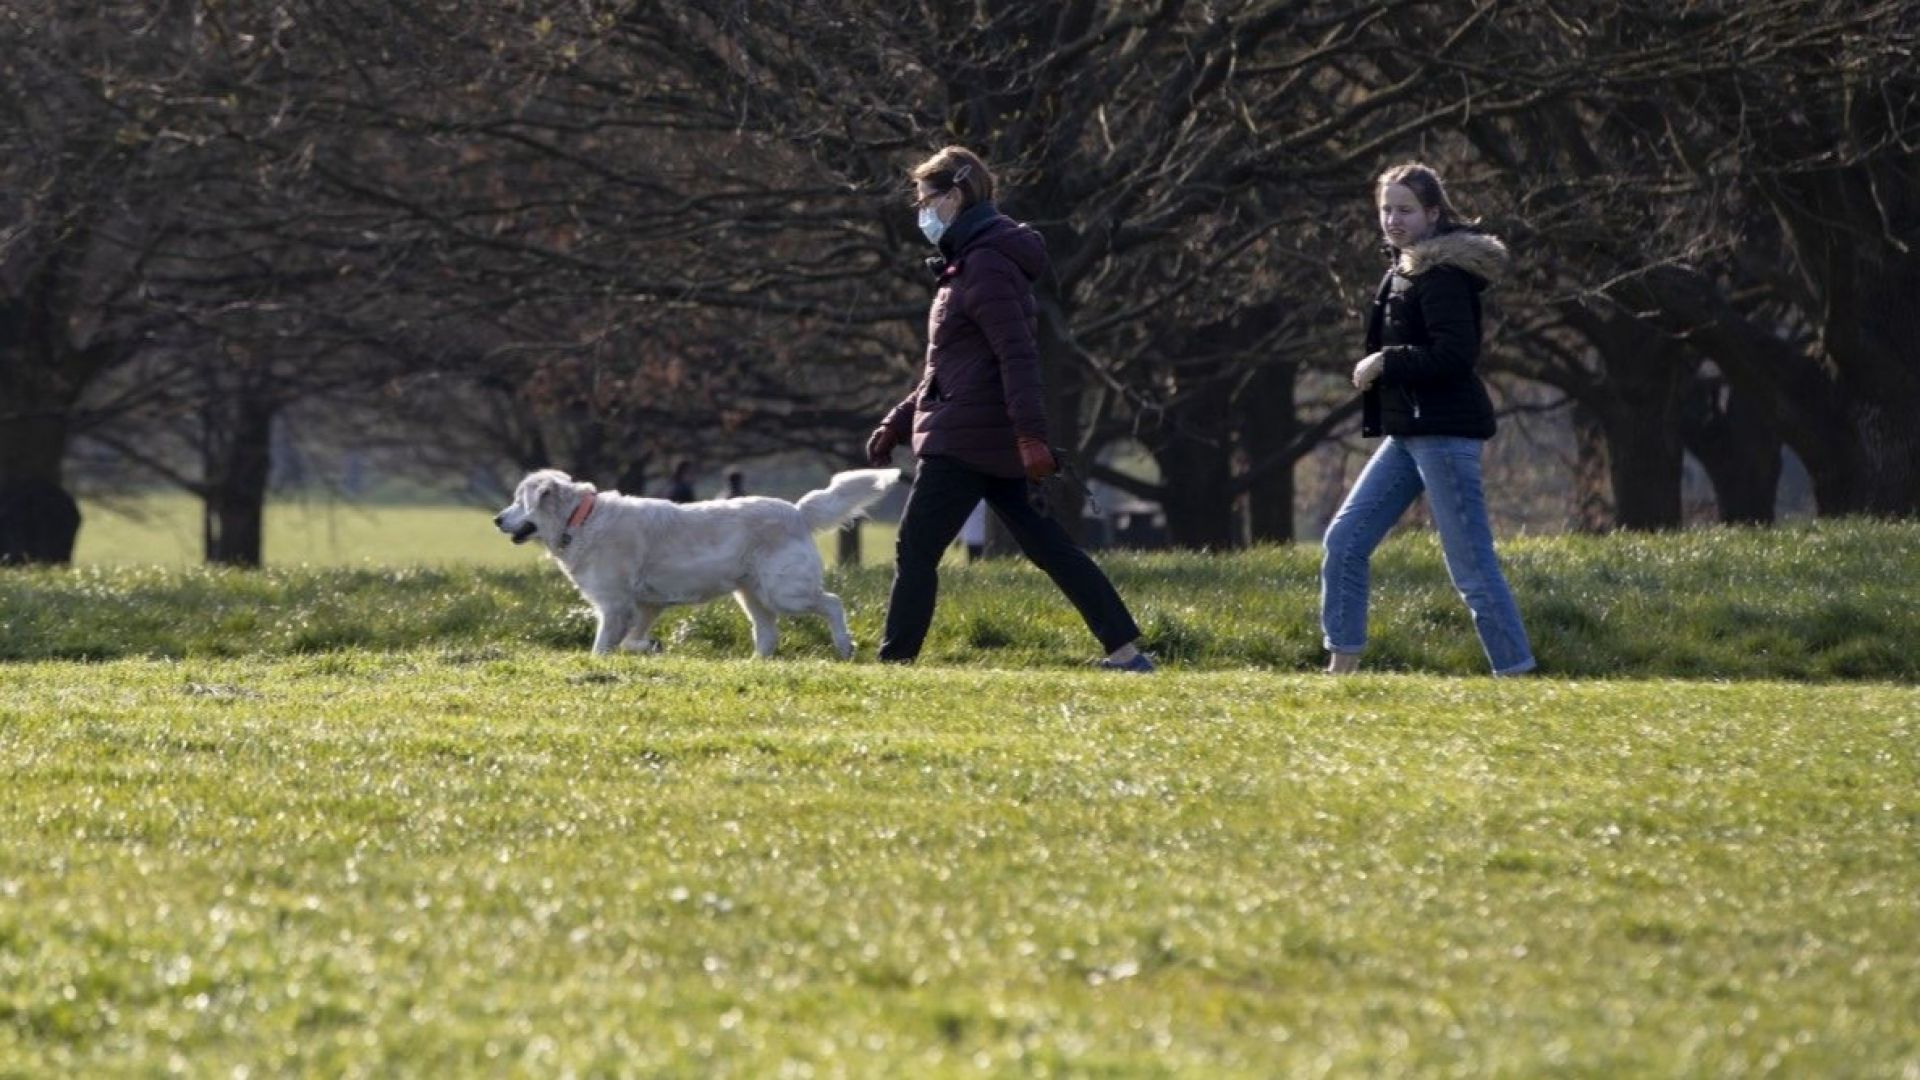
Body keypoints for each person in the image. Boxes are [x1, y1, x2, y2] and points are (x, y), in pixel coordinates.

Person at [866, 146, 1152, 672]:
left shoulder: (986, 265)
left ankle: (895, 663)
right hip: (984, 435)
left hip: (966, 440)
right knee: (1049, 547)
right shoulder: (970, 262)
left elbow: (1017, 357)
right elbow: (949, 367)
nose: (921, 210)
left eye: (926, 198)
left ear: (955, 195)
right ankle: (1127, 652)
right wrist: (898, 420)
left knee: (915, 550)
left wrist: (1032, 437)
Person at [1320, 161, 1535, 676]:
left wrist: (1385, 362)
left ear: (1433, 214)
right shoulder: (1404, 268)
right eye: (1386, 209)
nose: (1393, 219)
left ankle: (1518, 673)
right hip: (1408, 433)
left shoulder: (1440, 276)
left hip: (1444, 433)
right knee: (1344, 542)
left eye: (1406, 210)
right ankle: (1341, 670)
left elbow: (1456, 355)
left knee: (1471, 568)